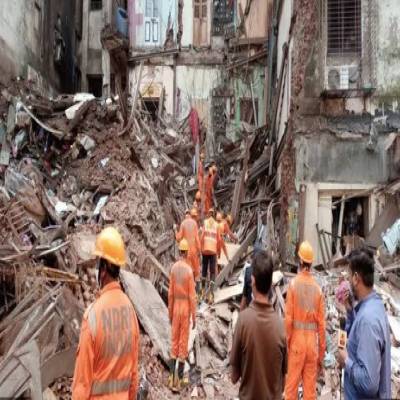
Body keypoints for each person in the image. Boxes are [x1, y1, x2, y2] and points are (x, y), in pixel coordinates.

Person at [72, 227, 140, 399]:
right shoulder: (130, 311)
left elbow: (82, 385)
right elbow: (133, 375)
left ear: (102, 269)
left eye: (97, 264)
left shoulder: (93, 316)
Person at [230, 251, 287, 399]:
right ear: (271, 284)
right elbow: (283, 383)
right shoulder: (281, 326)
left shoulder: (243, 321)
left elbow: (234, 377)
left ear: (253, 281)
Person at [337, 248, 391, 399]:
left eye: (348, 276)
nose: (347, 281)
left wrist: (346, 360)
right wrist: (349, 312)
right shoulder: (373, 306)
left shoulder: (368, 320)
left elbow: (369, 384)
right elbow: (359, 339)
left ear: (355, 278)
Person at [285, 241, 326, 400]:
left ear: (300, 261)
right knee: (310, 393)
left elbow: (288, 320)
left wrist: (287, 345)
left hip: (296, 343)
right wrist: (321, 355)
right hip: (312, 347)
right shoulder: (318, 289)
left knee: (291, 390)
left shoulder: (293, 285)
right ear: (311, 262)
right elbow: (322, 326)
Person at [168, 239, 197, 392]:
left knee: (174, 343)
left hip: (176, 308)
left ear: (179, 251)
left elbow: (170, 294)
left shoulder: (173, 269)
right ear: (187, 252)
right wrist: (194, 316)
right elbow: (192, 297)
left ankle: (171, 378)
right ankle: (178, 382)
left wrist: (170, 312)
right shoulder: (188, 271)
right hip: (185, 309)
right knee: (182, 345)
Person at [175, 209, 202, 294]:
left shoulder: (183, 224)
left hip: (186, 252)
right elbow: (197, 239)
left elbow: (178, 238)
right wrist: (199, 251)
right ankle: (198, 293)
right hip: (194, 251)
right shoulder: (194, 223)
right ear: (190, 215)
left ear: (185, 215)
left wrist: (175, 230)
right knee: (196, 272)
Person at [200, 208, 223, 303]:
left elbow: (202, 237)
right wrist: (219, 252)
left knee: (204, 272)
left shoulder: (205, 223)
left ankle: (201, 293)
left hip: (205, 250)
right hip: (213, 251)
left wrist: (201, 248)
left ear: (209, 214)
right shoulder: (217, 225)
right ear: (214, 215)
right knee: (213, 273)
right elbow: (219, 240)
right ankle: (210, 295)